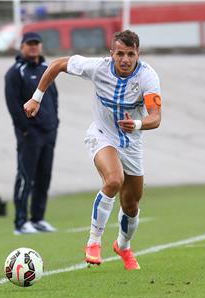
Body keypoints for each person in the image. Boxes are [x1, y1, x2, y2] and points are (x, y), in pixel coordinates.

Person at [23, 30, 162, 270]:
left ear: (138, 54)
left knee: (131, 206)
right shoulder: (98, 67)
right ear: (112, 54)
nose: (125, 59)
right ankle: (93, 242)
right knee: (113, 180)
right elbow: (57, 65)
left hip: (132, 143)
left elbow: (156, 118)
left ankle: (123, 246)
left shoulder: (148, 77)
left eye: (131, 54)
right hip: (101, 134)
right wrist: (37, 97)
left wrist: (137, 124)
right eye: (120, 54)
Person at [5, 32, 59, 235]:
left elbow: (53, 98)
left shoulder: (47, 70)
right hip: (30, 135)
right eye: (30, 44)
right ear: (22, 47)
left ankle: (38, 219)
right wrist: (26, 129)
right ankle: (21, 222)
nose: (33, 47)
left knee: (44, 177)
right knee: (26, 177)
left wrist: (55, 123)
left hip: (48, 133)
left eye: (37, 44)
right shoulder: (15, 72)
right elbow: (13, 104)